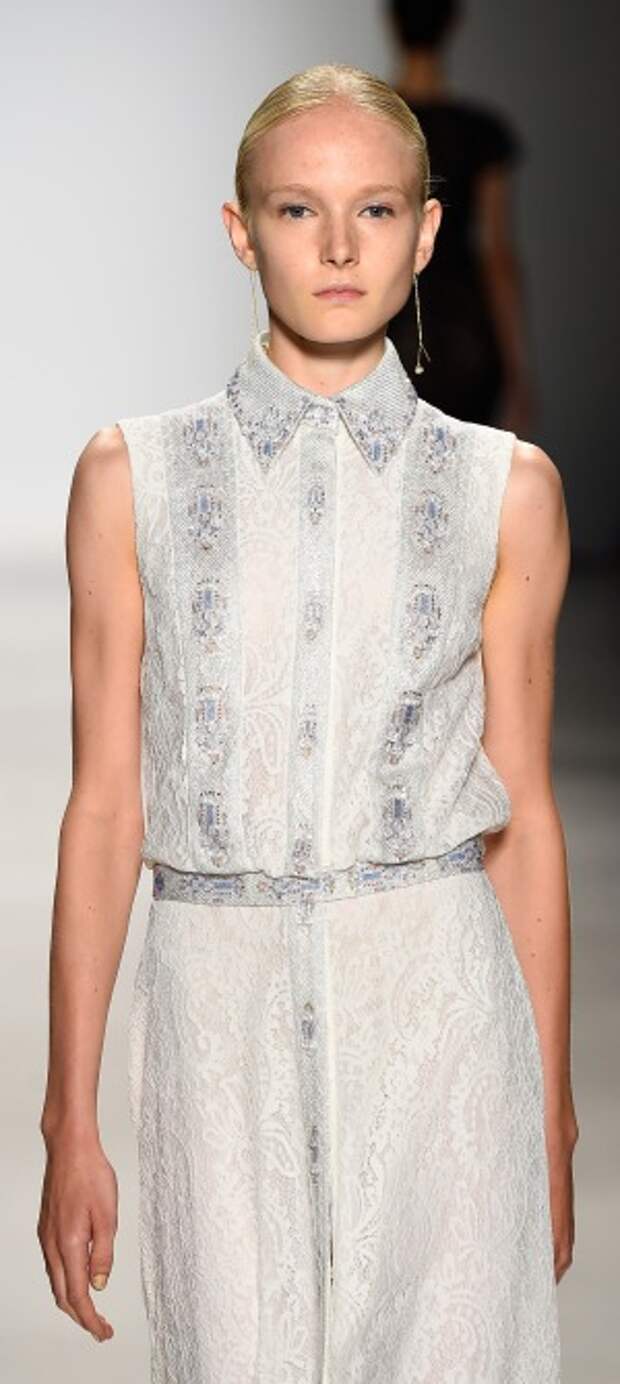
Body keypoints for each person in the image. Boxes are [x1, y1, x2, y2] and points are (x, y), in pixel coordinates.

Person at [37, 61, 578, 1382]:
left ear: (427, 232)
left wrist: (550, 1105)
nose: (339, 248)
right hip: (216, 1040)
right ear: (241, 231)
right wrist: (68, 1118)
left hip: (443, 1030)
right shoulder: (132, 478)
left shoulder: (503, 490)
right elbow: (105, 808)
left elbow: (522, 815)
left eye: (376, 210)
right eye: (297, 209)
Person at [385, 0, 536, 435]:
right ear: (453, 23)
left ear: (392, 21)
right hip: (468, 330)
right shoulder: (481, 133)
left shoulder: (373, 127)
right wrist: (519, 369)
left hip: (393, 326)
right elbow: (497, 253)